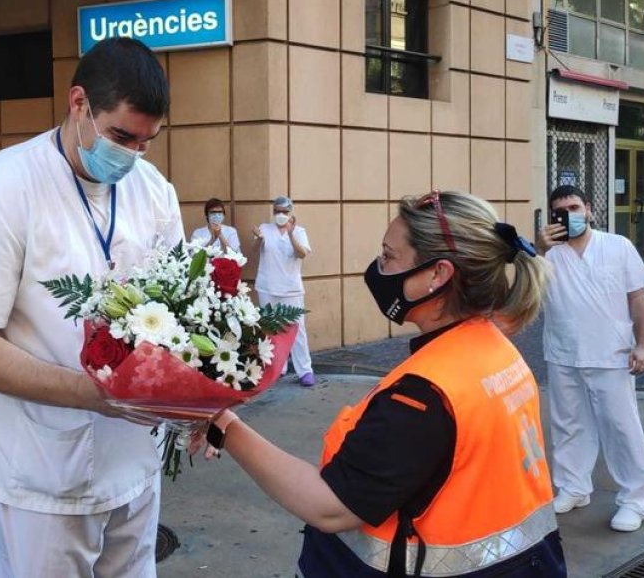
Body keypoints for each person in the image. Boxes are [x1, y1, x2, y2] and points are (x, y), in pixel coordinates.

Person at [0, 38, 183, 578]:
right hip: (36, 470)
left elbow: (179, 312)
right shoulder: (0, 189)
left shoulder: (153, 191)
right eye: (120, 137)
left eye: (147, 142)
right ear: (79, 104)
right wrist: (92, 394)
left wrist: (198, 401)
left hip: (134, 459)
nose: (133, 156)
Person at [204, 191, 566, 577]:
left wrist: (223, 426)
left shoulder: (424, 397)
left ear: (438, 275)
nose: (378, 267)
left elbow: (329, 507)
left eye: (389, 256)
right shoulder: (495, 349)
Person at [537, 185, 644, 533]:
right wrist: (538, 250)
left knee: (621, 428)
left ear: (589, 209)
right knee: (568, 425)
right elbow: (522, 292)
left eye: (574, 207)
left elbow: (639, 297)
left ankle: (635, 500)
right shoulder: (547, 256)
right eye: (561, 210)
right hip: (563, 354)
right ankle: (573, 487)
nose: (569, 215)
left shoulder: (617, 247)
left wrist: (643, 345)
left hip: (611, 354)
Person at [251, 196, 314, 387]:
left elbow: (302, 253)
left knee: (297, 330)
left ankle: (305, 370)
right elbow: (255, 250)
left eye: (284, 212)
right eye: (277, 211)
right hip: (267, 287)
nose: (280, 215)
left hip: (291, 289)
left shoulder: (299, 231)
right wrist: (259, 239)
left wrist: (291, 233)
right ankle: (278, 368)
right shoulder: (265, 229)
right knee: (271, 329)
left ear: (291, 213)